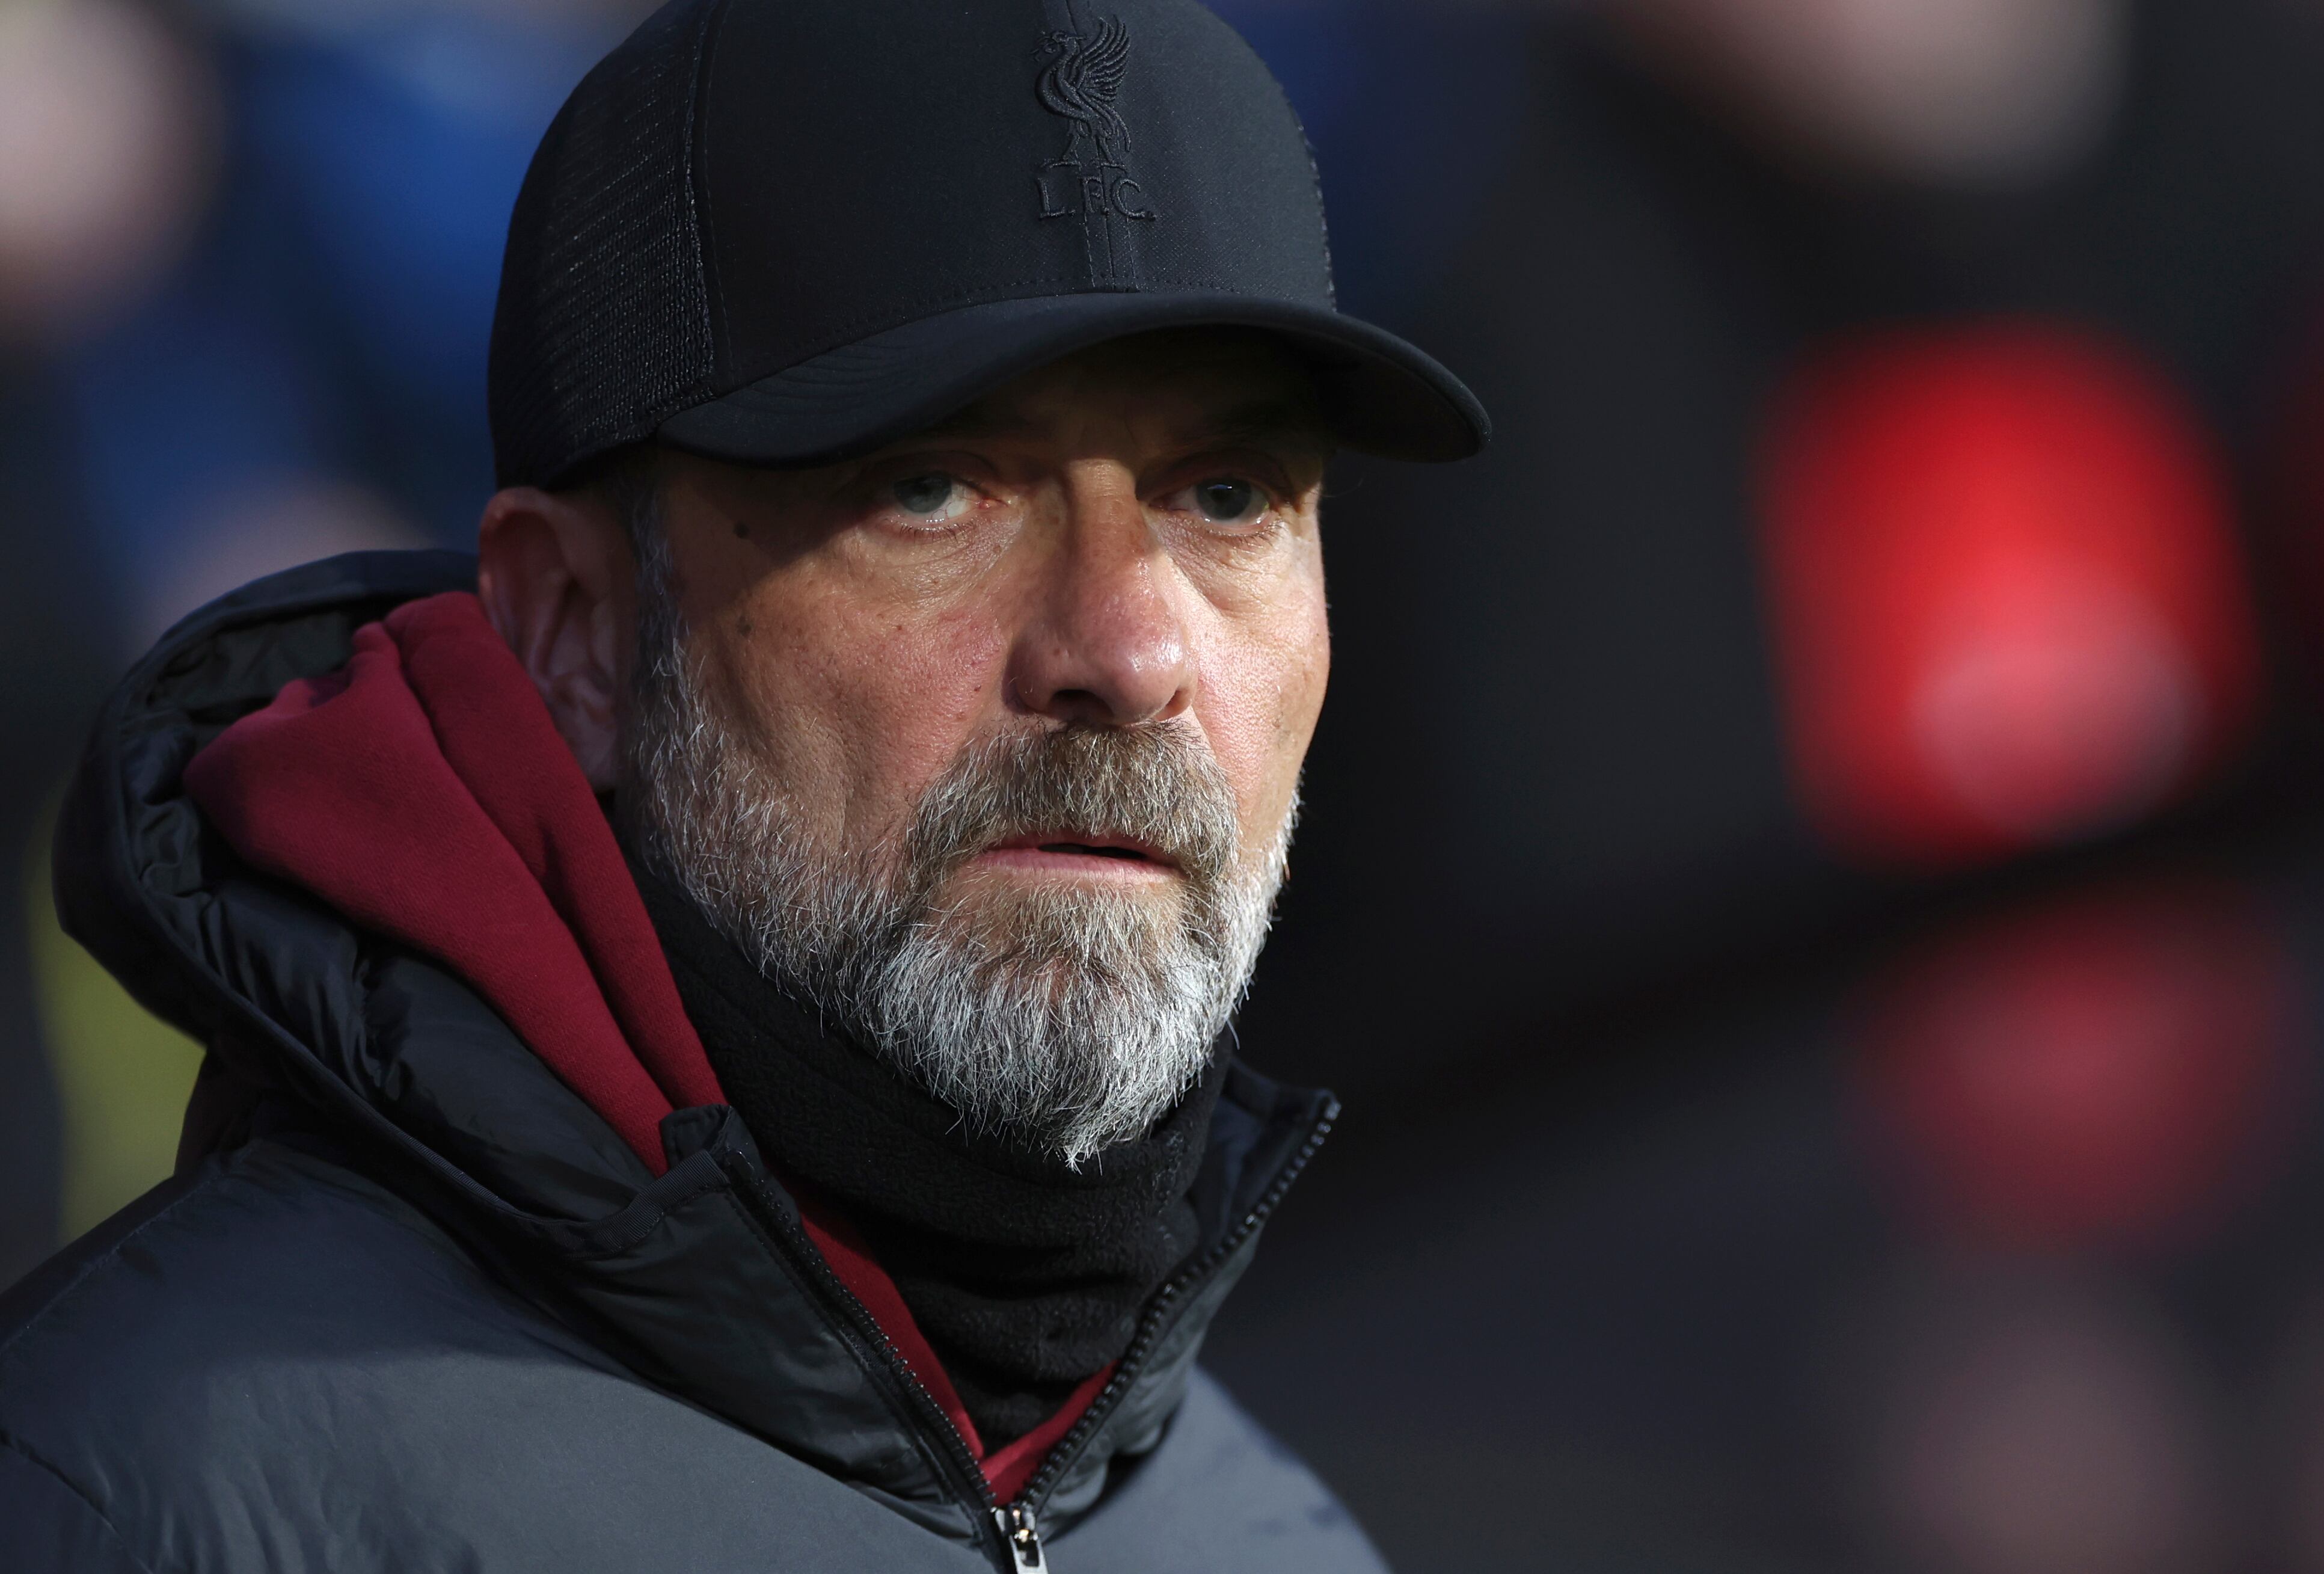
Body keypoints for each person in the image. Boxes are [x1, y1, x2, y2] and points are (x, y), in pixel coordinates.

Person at [0, 1, 1485, 1569]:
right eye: (934, 489)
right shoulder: (136, 1494)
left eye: (1227, 494)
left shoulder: (1274, 1535)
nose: (1126, 646)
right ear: (575, 629)